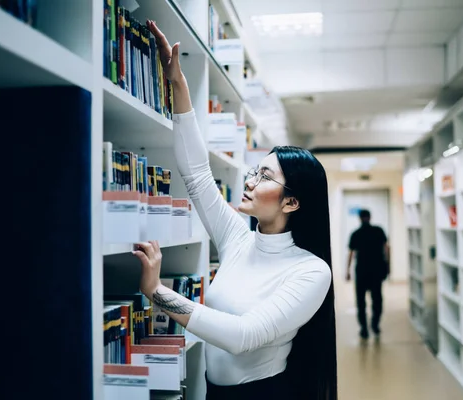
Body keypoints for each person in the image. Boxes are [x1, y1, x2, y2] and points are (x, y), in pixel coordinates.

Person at [131, 20, 338, 400]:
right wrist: (177, 83)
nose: (249, 181)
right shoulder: (239, 240)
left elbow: (243, 337)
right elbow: (196, 174)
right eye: (255, 170)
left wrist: (157, 292)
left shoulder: (311, 271)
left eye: (265, 177)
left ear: (291, 202)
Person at [346, 209, 389, 339]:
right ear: (370, 217)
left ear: (359, 218)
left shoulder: (356, 234)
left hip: (362, 272)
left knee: (361, 301)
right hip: (376, 271)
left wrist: (347, 271)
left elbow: (351, 253)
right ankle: (375, 325)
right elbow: (386, 249)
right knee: (377, 300)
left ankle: (364, 328)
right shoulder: (378, 231)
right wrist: (388, 266)